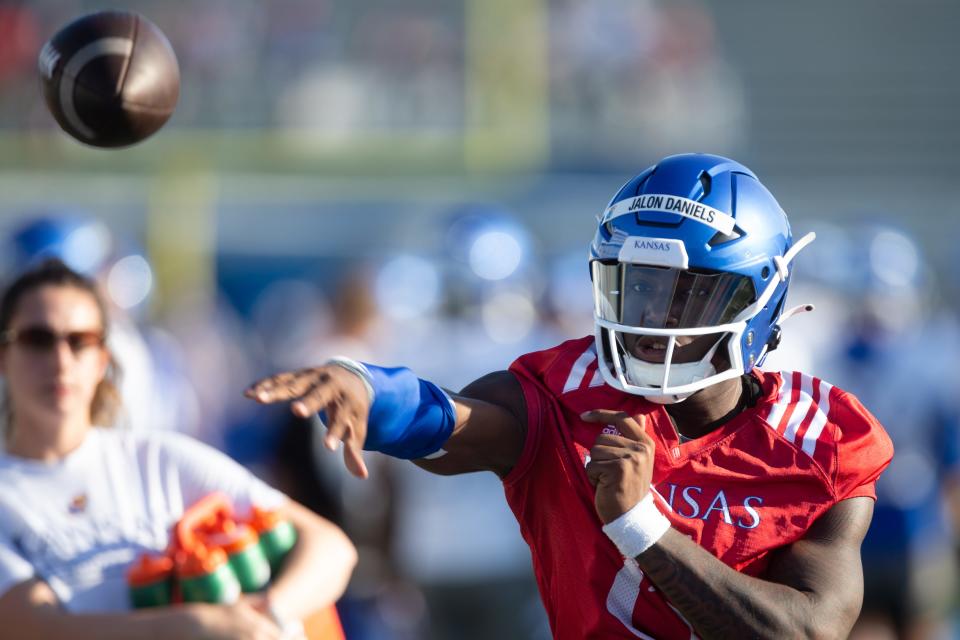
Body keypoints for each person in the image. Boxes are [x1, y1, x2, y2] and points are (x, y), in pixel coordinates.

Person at [249, 153, 894, 639]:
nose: (652, 320)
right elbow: (455, 424)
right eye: (636, 287)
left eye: (684, 292)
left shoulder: (822, 436)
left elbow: (806, 629)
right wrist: (373, 391)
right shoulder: (568, 391)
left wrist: (641, 527)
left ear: (758, 298)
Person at [0, 259, 357, 639]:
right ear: (4, 356)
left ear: (103, 359)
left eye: (80, 341)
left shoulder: (158, 460)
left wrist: (265, 615)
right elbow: (37, 629)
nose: (60, 361)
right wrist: (198, 625)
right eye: (38, 339)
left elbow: (331, 548)